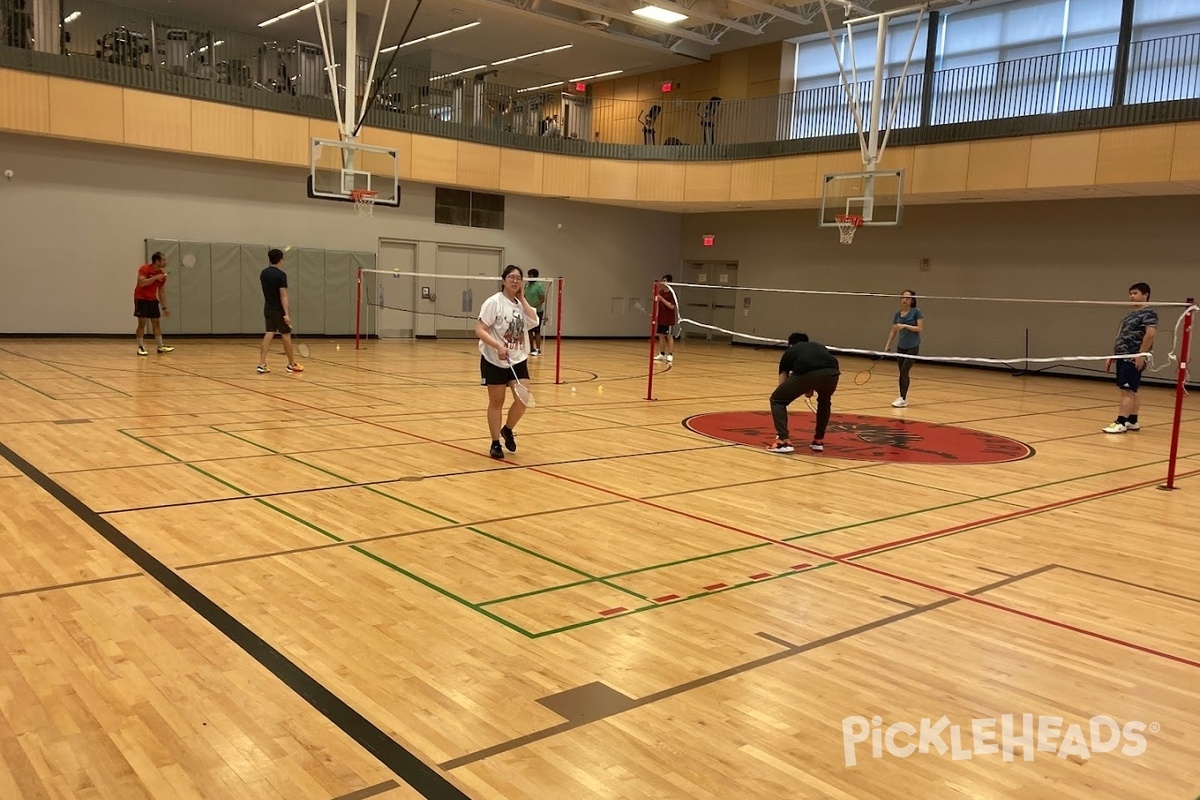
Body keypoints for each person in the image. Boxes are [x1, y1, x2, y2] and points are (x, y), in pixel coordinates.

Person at [476, 264, 539, 459]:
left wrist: (522, 298)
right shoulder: (493, 302)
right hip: (494, 359)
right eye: (511, 277)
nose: (515, 280)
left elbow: (534, 320)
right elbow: (479, 329)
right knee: (497, 401)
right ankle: (495, 443)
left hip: (517, 359)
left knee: (523, 399)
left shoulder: (521, 305)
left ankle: (508, 429)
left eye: (518, 278)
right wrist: (498, 346)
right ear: (503, 280)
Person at [768, 333, 840, 454]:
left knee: (777, 400)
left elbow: (782, 383)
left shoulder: (790, 352)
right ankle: (818, 441)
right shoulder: (818, 346)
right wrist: (808, 387)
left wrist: (801, 387)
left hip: (807, 373)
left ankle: (783, 441)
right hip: (832, 373)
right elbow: (819, 366)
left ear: (790, 344)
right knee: (824, 401)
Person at [1103, 282, 1157, 434]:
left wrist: (1141, 354)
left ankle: (1120, 422)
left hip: (1133, 357)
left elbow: (1150, 334)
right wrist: (1113, 354)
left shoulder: (1149, 313)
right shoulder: (1129, 315)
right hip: (1122, 355)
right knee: (1131, 390)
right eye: (1130, 293)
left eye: (1135, 293)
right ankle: (1132, 421)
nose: (1131, 296)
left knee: (1127, 390)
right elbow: (1121, 336)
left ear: (1145, 295)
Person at [257, 248, 304, 374]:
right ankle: (291, 364)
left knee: (269, 333)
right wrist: (287, 314)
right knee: (286, 336)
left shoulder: (263, 273)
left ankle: (261, 364)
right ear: (280, 259)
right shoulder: (281, 275)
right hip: (279, 310)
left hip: (268, 308)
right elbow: (283, 295)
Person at [883, 290, 923, 408]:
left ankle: (902, 398)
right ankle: (902, 397)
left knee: (905, 371)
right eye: (903, 297)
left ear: (912, 300)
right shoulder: (897, 314)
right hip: (901, 347)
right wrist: (887, 345)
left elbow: (920, 328)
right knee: (901, 373)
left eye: (907, 298)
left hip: (913, 347)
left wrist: (905, 326)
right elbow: (893, 330)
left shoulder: (916, 312)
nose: (904, 299)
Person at [134, 252, 173, 355]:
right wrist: (155, 277)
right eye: (164, 260)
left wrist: (164, 307)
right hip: (141, 298)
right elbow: (141, 283)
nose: (165, 262)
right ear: (157, 261)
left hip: (152, 300)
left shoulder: (162, 275)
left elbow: (161, 291)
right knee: (142, 322)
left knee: (156, 322)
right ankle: (140, 346)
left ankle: (160, 346)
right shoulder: (145, 269)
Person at [654, 274, 677, 363]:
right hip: (661, 318)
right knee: (661, 336)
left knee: (669, 336)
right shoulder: (661, 292)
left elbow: (671, 307)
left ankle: (670, 354)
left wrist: (662, 299)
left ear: (669, 282)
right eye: (662, 280)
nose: (663, 282)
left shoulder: (672, 294)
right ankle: (662, 354)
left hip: (669, 319)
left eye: (665, 280)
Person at [525, 268, 548, 356]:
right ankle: (531, 348)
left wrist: (533, 306)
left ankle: (538, 349)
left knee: (537, 331)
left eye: (530, 275)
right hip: (527, 311)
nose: (528, 277)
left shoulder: (539, 285)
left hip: (537, 311)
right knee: (529, 331)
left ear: (534, 276)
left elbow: (542, 299)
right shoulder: (527, 285)